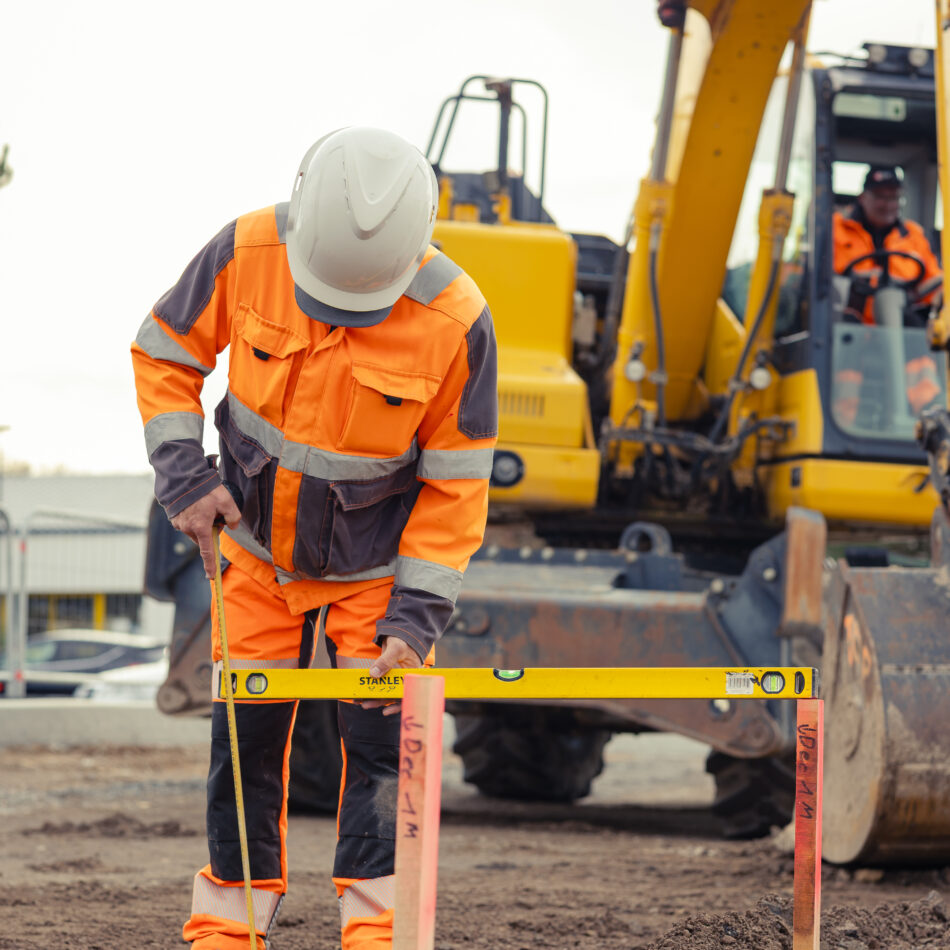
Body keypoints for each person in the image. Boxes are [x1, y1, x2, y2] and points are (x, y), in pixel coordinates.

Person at [131, 127, 498, 950]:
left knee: (382, 747)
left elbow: (455, 489)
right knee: (243, 739)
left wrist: (413, 622)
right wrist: (184, 475)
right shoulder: (247, 248)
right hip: (255, 557)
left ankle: (378, 930)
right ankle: (229, 924)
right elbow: (163, 352)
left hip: (376, 574)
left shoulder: (457, 321)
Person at [832, 165, 943, 425]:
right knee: (846, 345)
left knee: (920, 335)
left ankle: (928, 414)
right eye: (880, 196)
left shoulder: (912, 236)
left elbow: (932, 284)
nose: (888, 204)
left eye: (893, 197)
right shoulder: (836, 230)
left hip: (900, 321)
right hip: (852, 321)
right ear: (863, 198)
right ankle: (843, 417)